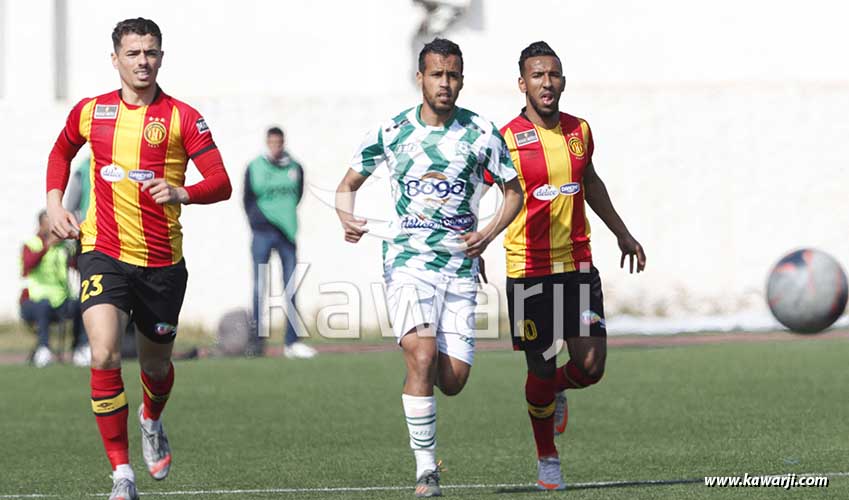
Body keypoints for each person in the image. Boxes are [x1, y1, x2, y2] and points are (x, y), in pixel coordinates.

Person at [45, 18, 232, 500]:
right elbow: (61, 151)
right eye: (133, 53)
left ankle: (151, 419)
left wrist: (182, 191)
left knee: (153, 368)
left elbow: (221, 181)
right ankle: (122, 474)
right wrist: (54, 203)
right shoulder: (93, 111)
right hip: (103, 252)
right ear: (116, 59)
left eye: (150, 52)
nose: (142, 61)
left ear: (161, 57)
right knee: (104, 352)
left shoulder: (183, 118)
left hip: (162, 264)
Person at [336, 38, 524, 497]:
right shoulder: (393, 131)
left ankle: (424, 380)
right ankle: (426, 472)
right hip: (407, 264)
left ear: (462, 79)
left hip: (459, 268)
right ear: (419, 77)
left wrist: (488, 234)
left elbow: (513, 193)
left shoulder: (480, 132)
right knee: (420, 354)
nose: (446, 83)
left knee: (453, 380)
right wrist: (346, 217)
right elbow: (347, 185)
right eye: (437, 75)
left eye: (453, 75)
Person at [489, 41, 646, 490]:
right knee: (538, 367)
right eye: (537, 76)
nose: (547, 83)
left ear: (563, 80)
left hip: (577, 265)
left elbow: (589, 181)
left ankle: (557, 388)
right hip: (528, 269)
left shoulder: (580, 130)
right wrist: (477, 243)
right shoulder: (505, 139)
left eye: (553, 75)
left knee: (591, 366)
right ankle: (547, 456)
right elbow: (483, 193)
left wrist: (622, 231)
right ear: (522, 83)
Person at [243, 126, 316, 359]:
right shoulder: (255, 167)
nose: (276, 146)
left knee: (291, 287)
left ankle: (291, 342)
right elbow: (247, 198)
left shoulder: (295, 168)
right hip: (262, 234)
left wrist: (284, 219)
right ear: (267, 142)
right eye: (272, 142)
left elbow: (298, 195)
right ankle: (257, 343)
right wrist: (260, 222)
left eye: (279, 142)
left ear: (283, 142)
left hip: (287, 235)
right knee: (259, 287)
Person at [20, 210, 89, 367]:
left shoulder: (63, 248)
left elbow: (76, 266)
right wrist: (47, 246)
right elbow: (28, 265)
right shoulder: (32, 244)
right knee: (43, 307)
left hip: (60, 300)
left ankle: (80, 348)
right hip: (35, 300)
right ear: (41, 225)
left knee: (82, 304)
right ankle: (43, 349)